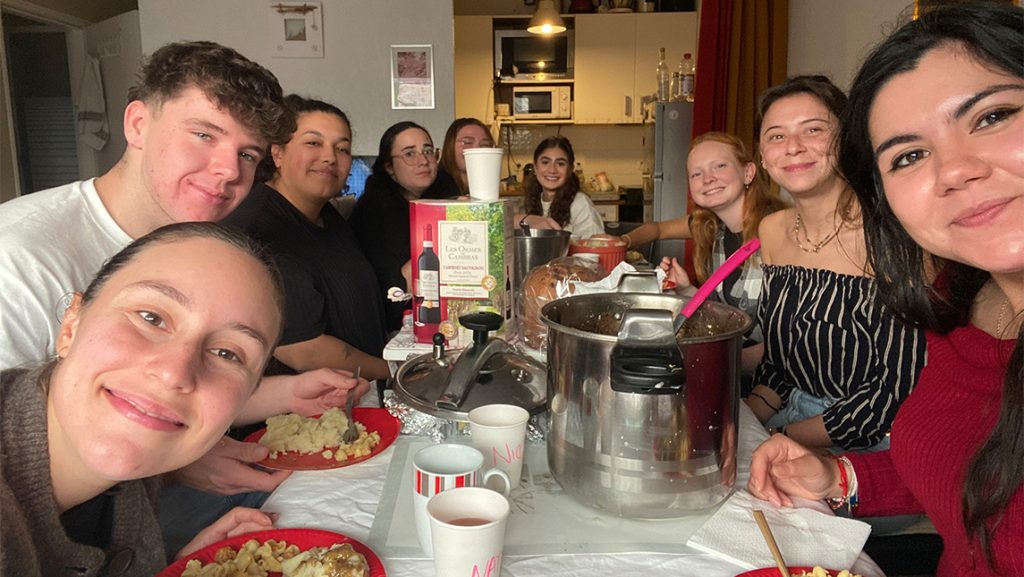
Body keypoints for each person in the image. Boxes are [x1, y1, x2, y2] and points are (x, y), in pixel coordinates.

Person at [0, 41, 367, 555]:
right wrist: (174, 463)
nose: (227, 171)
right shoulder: (19, 257)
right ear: (137, 125)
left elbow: (176, 379)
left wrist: (285, 393)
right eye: (203, 135)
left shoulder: (202, 245)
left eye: (247, 154)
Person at [749, 4, 1023, 575]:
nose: (955, 170)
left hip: (855, 434)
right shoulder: (970, 298)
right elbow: (955, 459)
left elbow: (886, 402)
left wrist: (776, 433)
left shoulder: (910, 256)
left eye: (993, 117)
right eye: (911, 155)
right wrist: (834, 473)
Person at [1, 222, 287, 576]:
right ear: (71, 325)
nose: (174, 374)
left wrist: (176, 566)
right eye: (151, 318)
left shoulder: (135, 479)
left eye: (228, 354)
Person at [744, 75, 926, 451]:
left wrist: (780, 438)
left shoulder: (893, 233)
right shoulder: (773, 230)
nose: (793, 147)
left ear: (847, 140)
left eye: (813, 130)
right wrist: (747, 421)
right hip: (788, 420)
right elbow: (780, 362)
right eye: (776, 136)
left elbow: (894, 391)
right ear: (762, 156)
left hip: (875, 442)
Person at [226, 95, 390, 381]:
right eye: (313, 143)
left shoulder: (328, 214)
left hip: (359, 394)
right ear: (277, 153)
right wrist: (397, 374)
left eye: (342, 148)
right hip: (304, 413)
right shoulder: (258, 231)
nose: (329, 157)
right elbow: (305, 351)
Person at [632, 132, 787, 375]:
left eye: (720, 166)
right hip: (736, 371)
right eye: (696, 173)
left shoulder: (782, 231)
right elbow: (728, 317)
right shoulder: (714, 229)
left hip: (772, 387)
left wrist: (711, 362)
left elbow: (794, 344)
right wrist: (686, 290)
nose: (708, 179)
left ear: (748, 172)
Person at [350, 121, 460, 331]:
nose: (424, 161)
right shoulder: (375, 211)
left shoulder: (438, 195)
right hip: (393, 324)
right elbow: (400, 288)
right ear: (389, 167)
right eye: (410, 154)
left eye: (428, 151)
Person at [516, 136, 605, 240]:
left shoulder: (580, 204)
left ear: (570, 169)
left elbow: (594, 247)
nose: (552, 170)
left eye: (560, 164)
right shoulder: (531, 202)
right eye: (545, 162)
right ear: (535, 168)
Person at [439, 117, 495, 196]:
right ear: (450, 146)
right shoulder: (438, 188)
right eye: (467, 142)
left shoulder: (487, 187)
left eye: (485, 144)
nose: (477, 149)